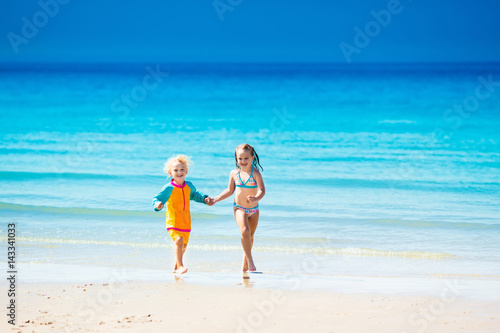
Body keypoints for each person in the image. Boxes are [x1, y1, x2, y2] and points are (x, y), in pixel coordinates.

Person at [152, 154, 213, 274]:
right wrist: (157, 205)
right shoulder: (168, 188)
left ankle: (176, 267)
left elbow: (196, 195)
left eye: (182, 170)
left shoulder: (189, 186)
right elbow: (156, 198)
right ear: (170, 173)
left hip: (186, 222)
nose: (179, 172)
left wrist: (205, 199)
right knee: (178, 240)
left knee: (184, 245)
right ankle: (180, 266)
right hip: (173, 221)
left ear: (186, 171)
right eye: (175, 170)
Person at [213, 144, 265, 272]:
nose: (243, 161)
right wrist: (215, 199)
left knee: (250, 236)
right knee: (245, 231)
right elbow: (230, 191)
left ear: (252, 158)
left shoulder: (256, 174)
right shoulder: (234, 173)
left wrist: (256, 198)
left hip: (254, 210)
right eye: (240, 159)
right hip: (239, 208)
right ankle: (250, 260)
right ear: (236, 158)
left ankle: (245, 262)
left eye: (246, 158)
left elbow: (262, 190)